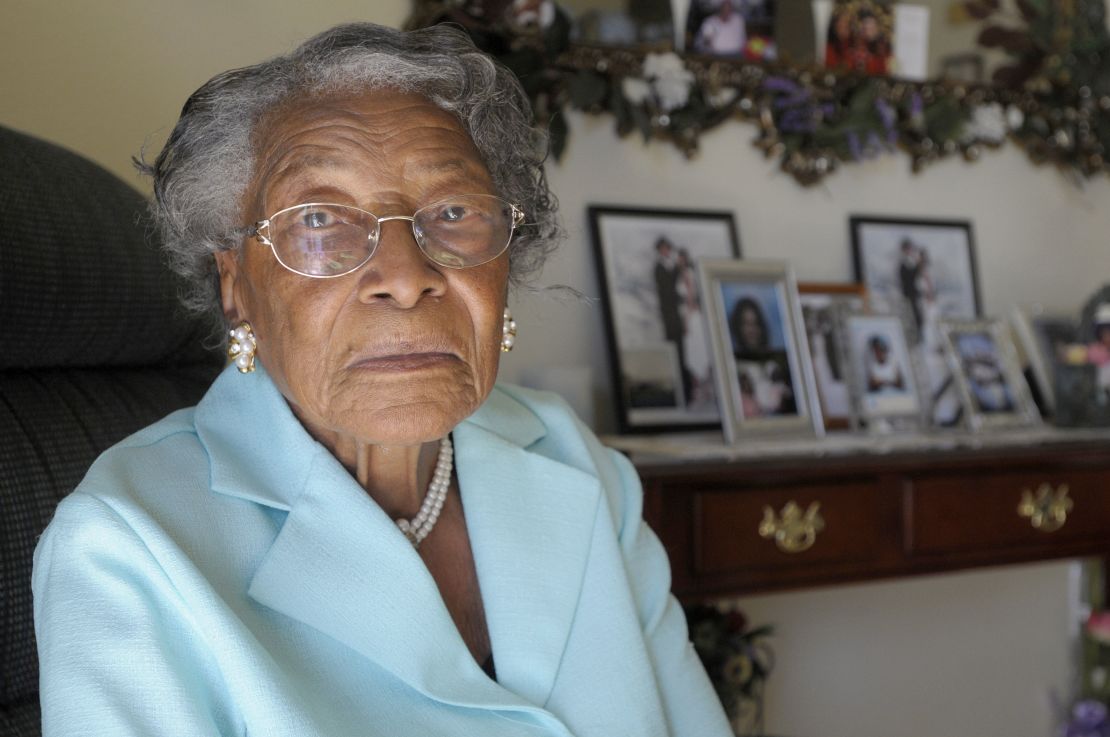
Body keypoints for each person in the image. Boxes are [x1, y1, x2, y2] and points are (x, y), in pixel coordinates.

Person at [32, 23, 732, 737]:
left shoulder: (573, 457)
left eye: (453, 213)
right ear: (237, 282)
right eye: (318, 219)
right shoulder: (126, 545)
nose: (404, 277)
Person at [654, 236, 691, 401]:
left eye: (667, 248)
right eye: (663, 248)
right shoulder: (659, 268)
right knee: (675, 351)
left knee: (684, 350)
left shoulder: (674, 267)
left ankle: (687, 388)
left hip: (679, 314)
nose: (666, 251)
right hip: (670, 316)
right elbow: (667, 290)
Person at [675, 248, 713, 406]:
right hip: (689, 314)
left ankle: (704, 390)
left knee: (697, 352)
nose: (679, 261)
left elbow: (690, 297)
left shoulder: (687, 274)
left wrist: (687, 318)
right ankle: (701, 390)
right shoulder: (683, 274)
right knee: (694, 353)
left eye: (681, 259)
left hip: (692, 316)